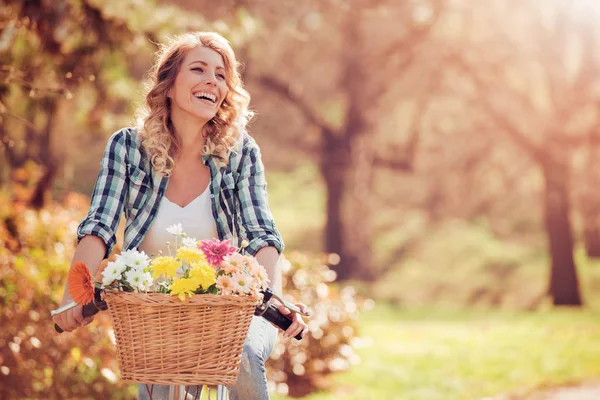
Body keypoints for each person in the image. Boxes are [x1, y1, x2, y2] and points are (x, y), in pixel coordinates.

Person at [52, 31, 309, 400]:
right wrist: (71, 297)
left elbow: (261, 234)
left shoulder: (240, 153)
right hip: (158, 314)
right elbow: (99, 227)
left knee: (244, 356)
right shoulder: (127, 148)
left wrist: (273, 300)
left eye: (221, 75)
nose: (212, 81)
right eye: (199, 69)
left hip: (232, 307)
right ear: (169, 86)